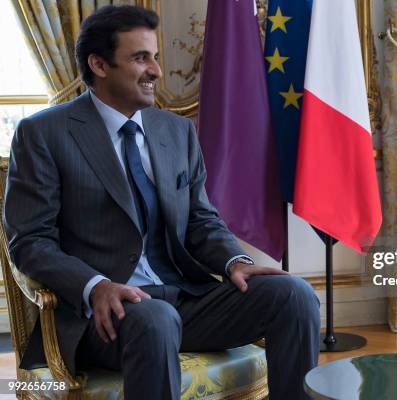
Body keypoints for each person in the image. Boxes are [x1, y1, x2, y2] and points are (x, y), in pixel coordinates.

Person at [3, 5, 319, 399]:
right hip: (104, 316)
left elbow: (202, 220)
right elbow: (30, 242)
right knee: (155, 318)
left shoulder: (177, 131)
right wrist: (95, 285)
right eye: (140, 58)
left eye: (155, 57)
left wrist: (235, 261)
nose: (156, 70)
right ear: (99, 65)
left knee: (294, 295)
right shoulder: (44, 134)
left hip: (184, 299)